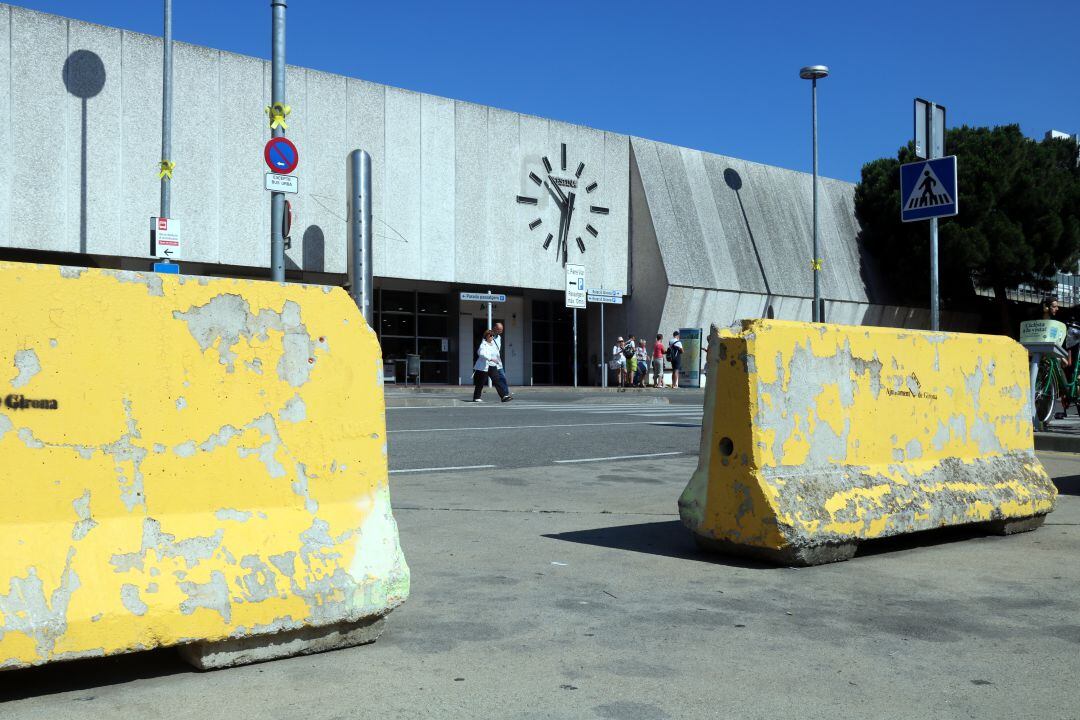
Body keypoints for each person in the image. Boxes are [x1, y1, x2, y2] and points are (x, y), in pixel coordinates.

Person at [472, 329, 507, 402]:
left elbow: (497, 354)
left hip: (492, 366)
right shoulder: (483, 344)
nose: (492, 337)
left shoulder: (494, 344)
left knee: (497, 380)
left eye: (493, 335)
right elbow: (481, 353)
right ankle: (476, 397)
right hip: (483, 366)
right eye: (490, 335)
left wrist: (498, 361)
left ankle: (503, 396)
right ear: (487, 336)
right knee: (480, 382)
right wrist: (490, 358)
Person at [491, 322, 513, 402]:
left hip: (498, 362)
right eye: (499, 329)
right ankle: (476, 396)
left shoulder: (499, 337)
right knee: (481, 380)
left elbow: (497, 350)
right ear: (494, 328)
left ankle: (505, 395)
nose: (501, 331)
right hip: (490, 361)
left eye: (501, 330)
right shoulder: (489, 336)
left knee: (502, 377)